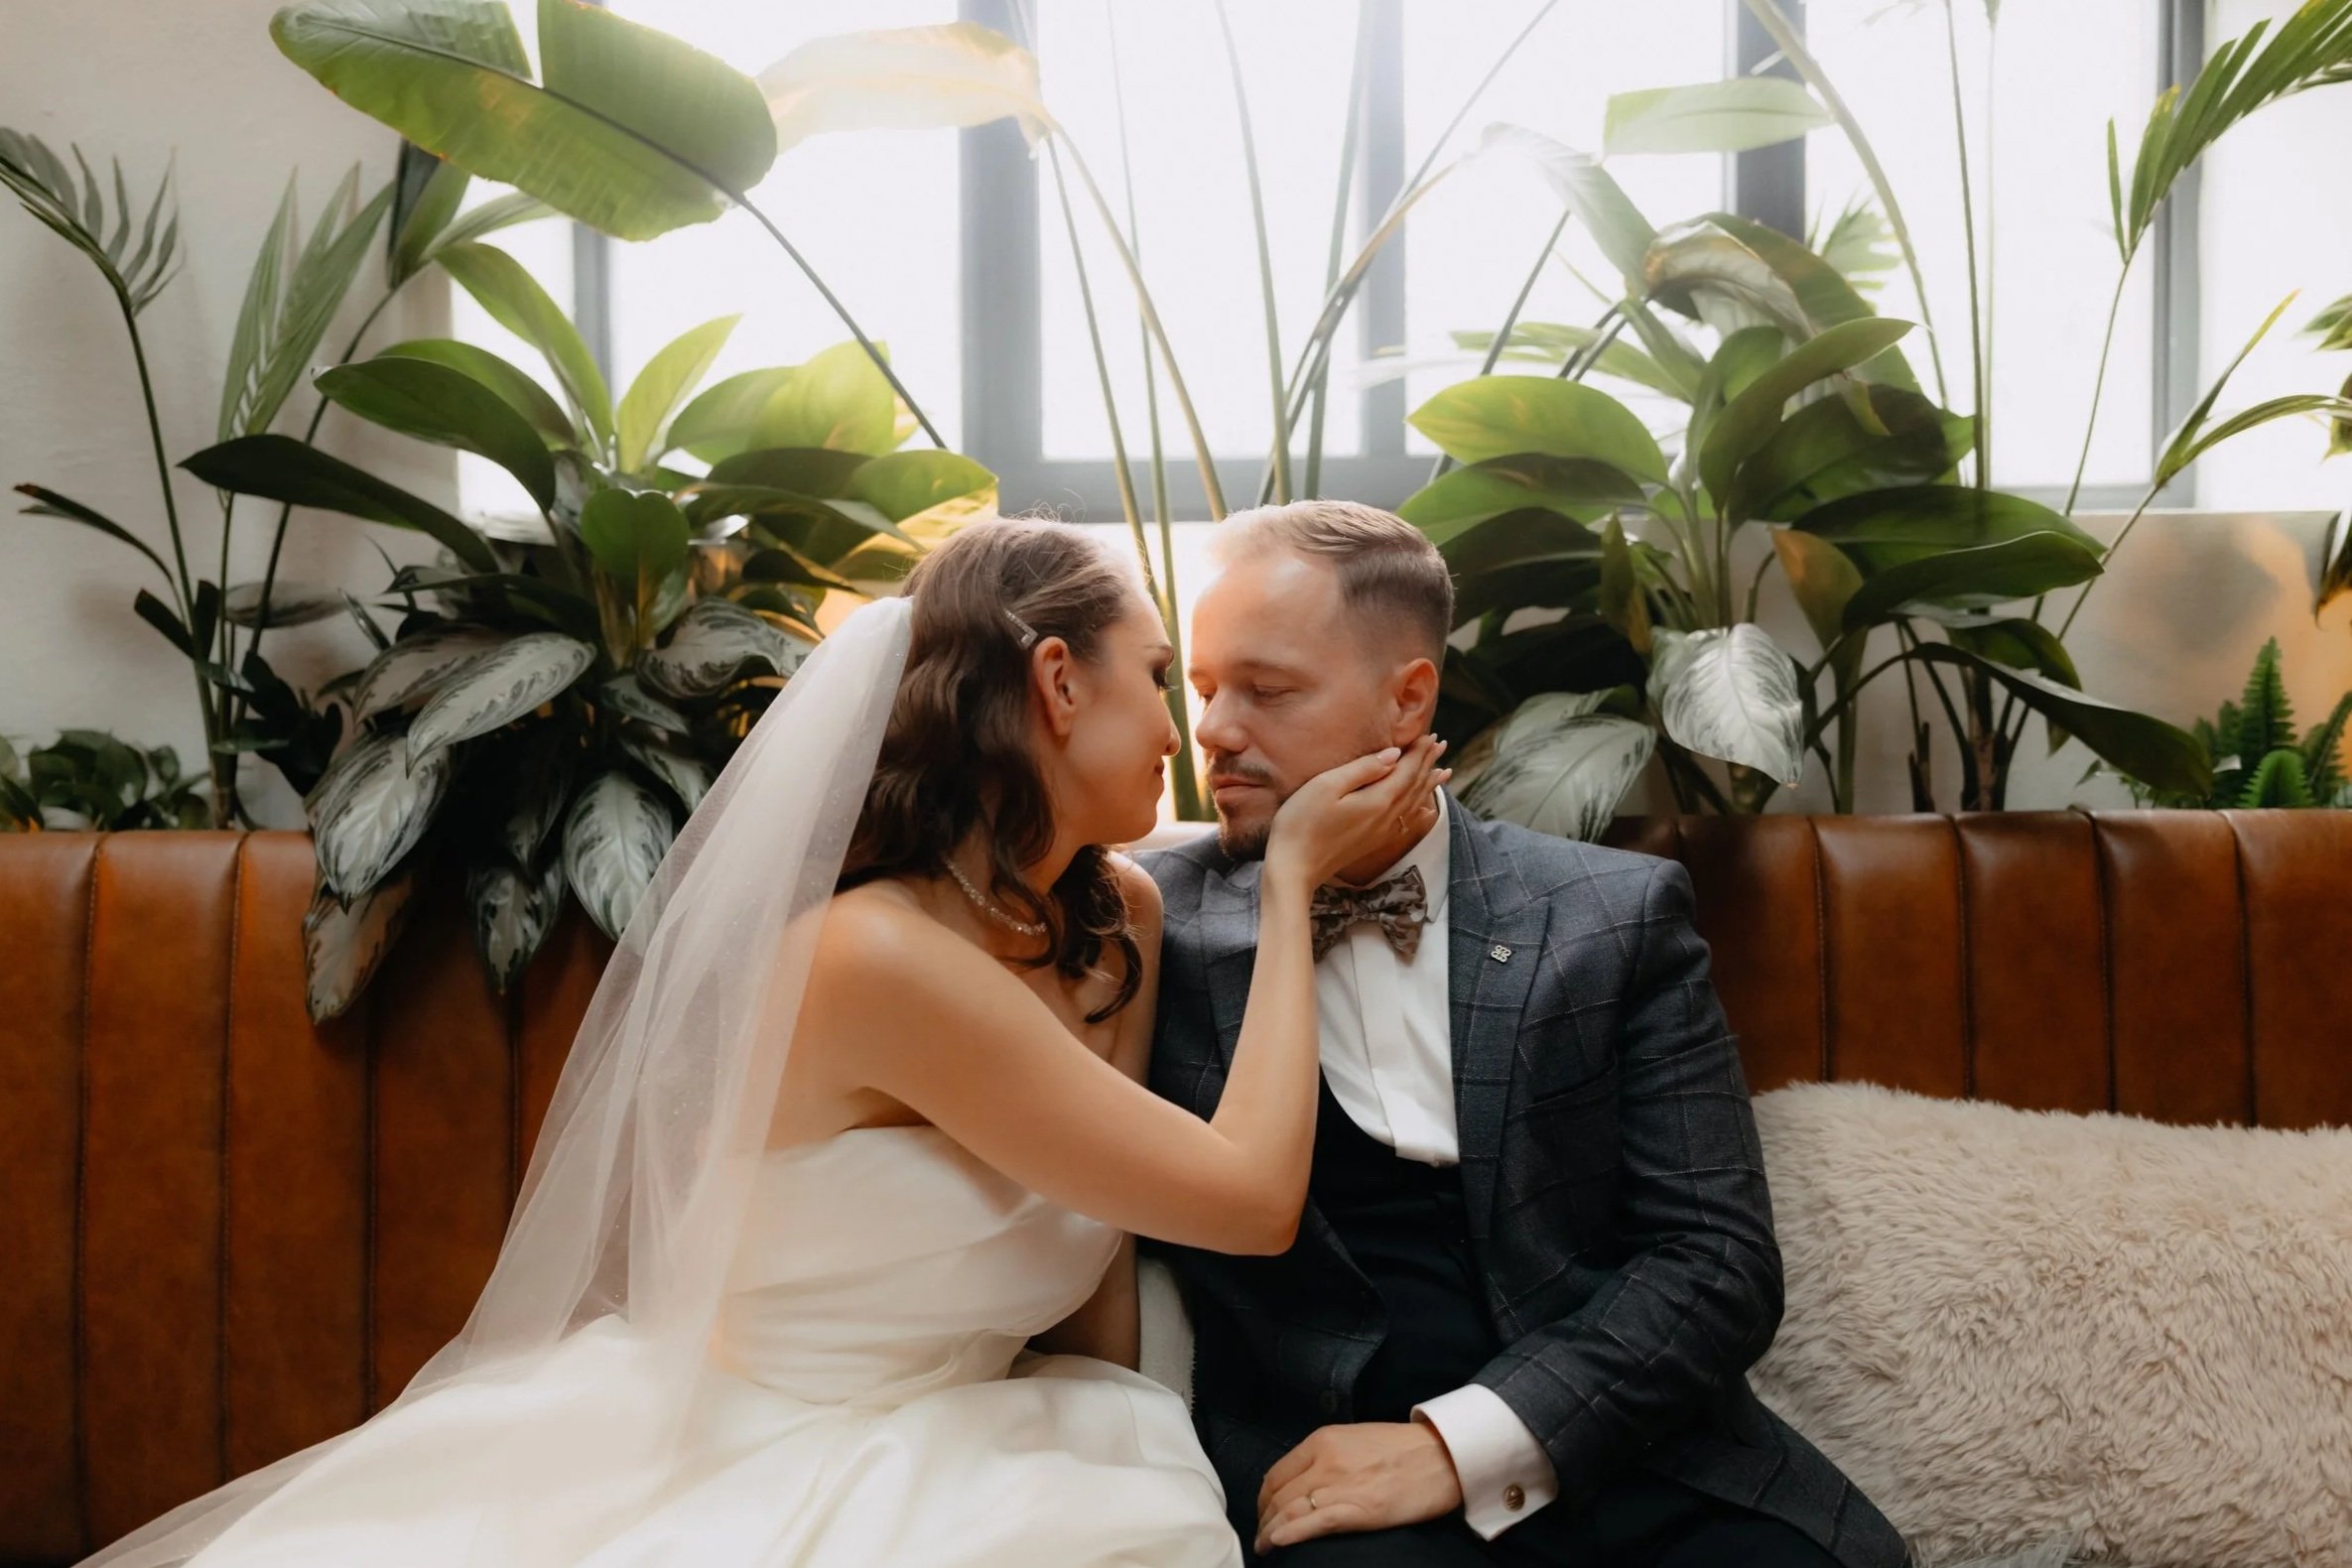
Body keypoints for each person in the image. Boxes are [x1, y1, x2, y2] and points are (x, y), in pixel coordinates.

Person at [79, 518, 1446, 1568]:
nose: (1188, 729)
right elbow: (1248, 1199)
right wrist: (1286, 883)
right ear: (1055, 683)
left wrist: (1134, 1443)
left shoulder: (1114, 916)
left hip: (998, 1421)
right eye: (1156, 677)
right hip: (774, 1446)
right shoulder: (876, 959)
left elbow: (1095, 1286)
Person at [1142, 500, 1910, 1568]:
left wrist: (1460, 1445)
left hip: (1622, 1447)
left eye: (1266, 691)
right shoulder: (1147, 928)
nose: (1216, 731)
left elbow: (1716, 1260)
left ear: (1408, 698)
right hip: (1331, 1472)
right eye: (1204, 689)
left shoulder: (1611, 913)